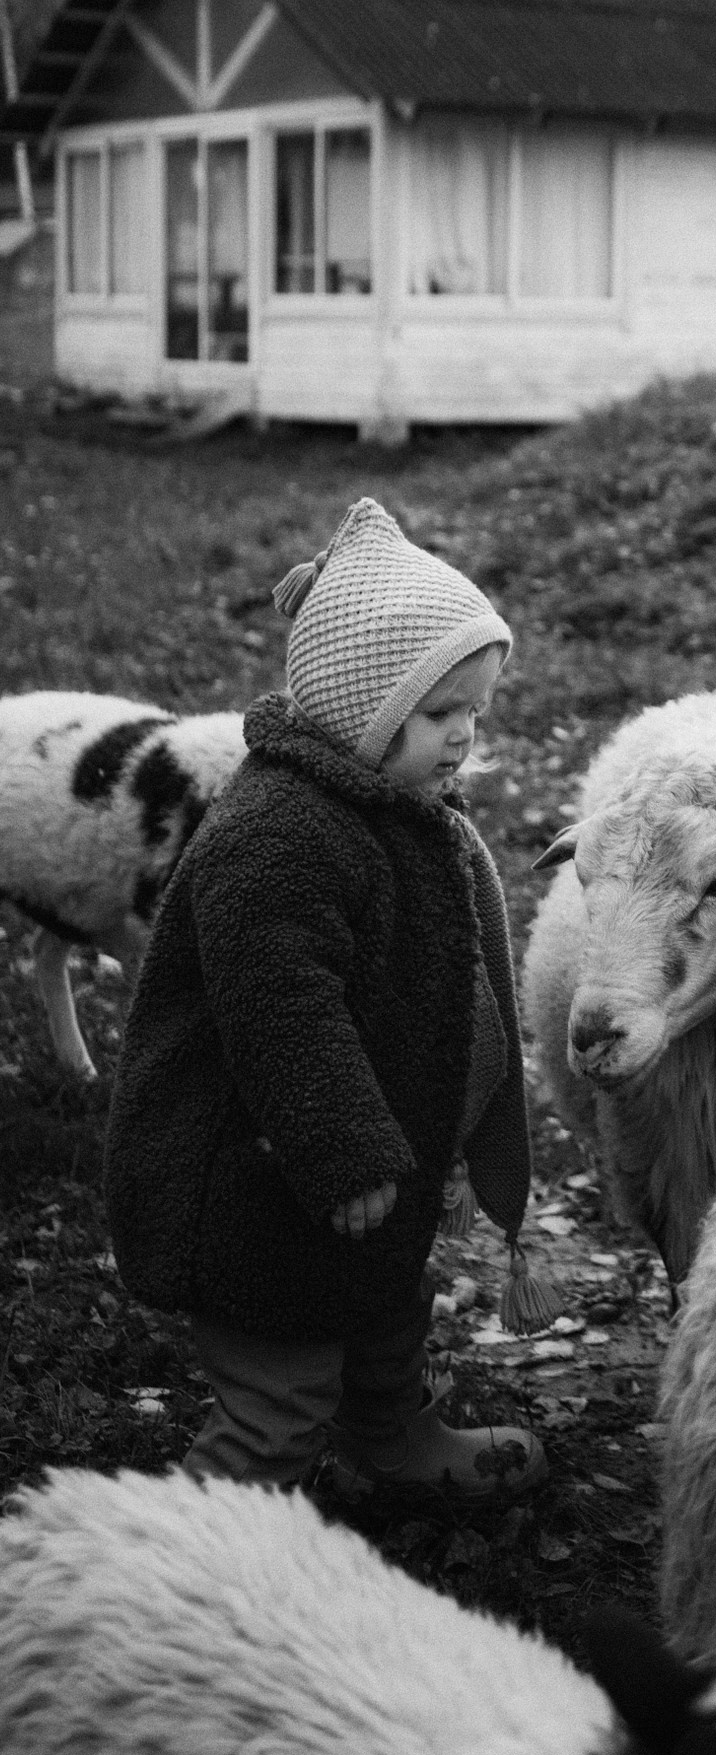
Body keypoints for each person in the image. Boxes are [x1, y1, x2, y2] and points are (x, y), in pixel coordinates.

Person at [104, 496, 551, 1495]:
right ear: (363, 709)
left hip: (366, 1169)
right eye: (440, 715)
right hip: (258, 1176)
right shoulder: (278, 837)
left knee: (385, 1310)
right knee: (282, 1392)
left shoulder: (392, 809)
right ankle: (196, 1554)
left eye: (476, 711)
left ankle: (390, 1439)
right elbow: (282, 1010)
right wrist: (344, 1148)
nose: (465, 737)